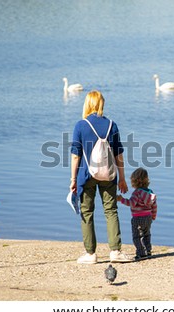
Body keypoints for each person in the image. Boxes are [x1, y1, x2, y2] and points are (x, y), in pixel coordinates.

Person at [70, 90, 132, 264]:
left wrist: (73, 180)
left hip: (86, 175)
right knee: (111, 211)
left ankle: (90, 254)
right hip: (109, 174)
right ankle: (115, 252)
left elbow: (75, 155)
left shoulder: (80, 125)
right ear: (101, 104)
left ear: (88, 104)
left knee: (87, 212)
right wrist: (122, 178)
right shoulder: (112, 125)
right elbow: (119, 154)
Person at [117, 167, 157, 260]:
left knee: (137, 236)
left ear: (134, 181)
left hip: (137, 218)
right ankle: (148, 250)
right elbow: (154, 206)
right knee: (147, 235)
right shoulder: (150, 193)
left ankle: (141, 253)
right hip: (148, 217)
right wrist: (153, 216)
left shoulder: (137, 193)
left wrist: (121, 199)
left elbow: (131, 203)